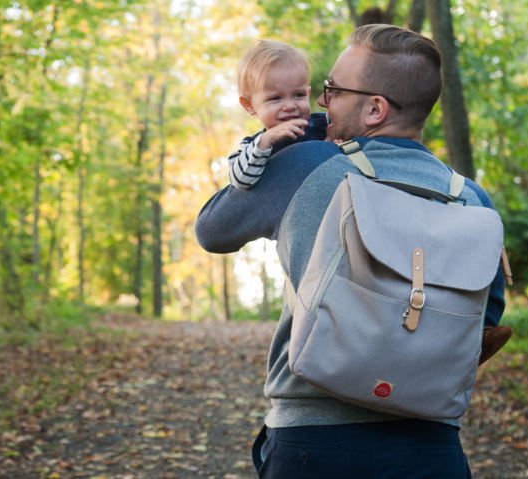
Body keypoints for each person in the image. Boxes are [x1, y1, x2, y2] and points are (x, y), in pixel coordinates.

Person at [196, 24, 508, 478]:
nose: (321, 103)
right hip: (431, 444)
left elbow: (212, 232)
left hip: (315, 439)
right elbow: (487, 315)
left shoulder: (304, 164)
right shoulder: (473, 199)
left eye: (333, 91)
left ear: (375, 108)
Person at [228, 39, 327, 190]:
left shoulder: (322, 124)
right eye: (275, 98)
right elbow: (240, 181)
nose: (289, 106)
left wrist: (333, 141)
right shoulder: (253, 146)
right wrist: (265, 141)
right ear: (249, 105)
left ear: (308, 93)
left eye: (299, 95)